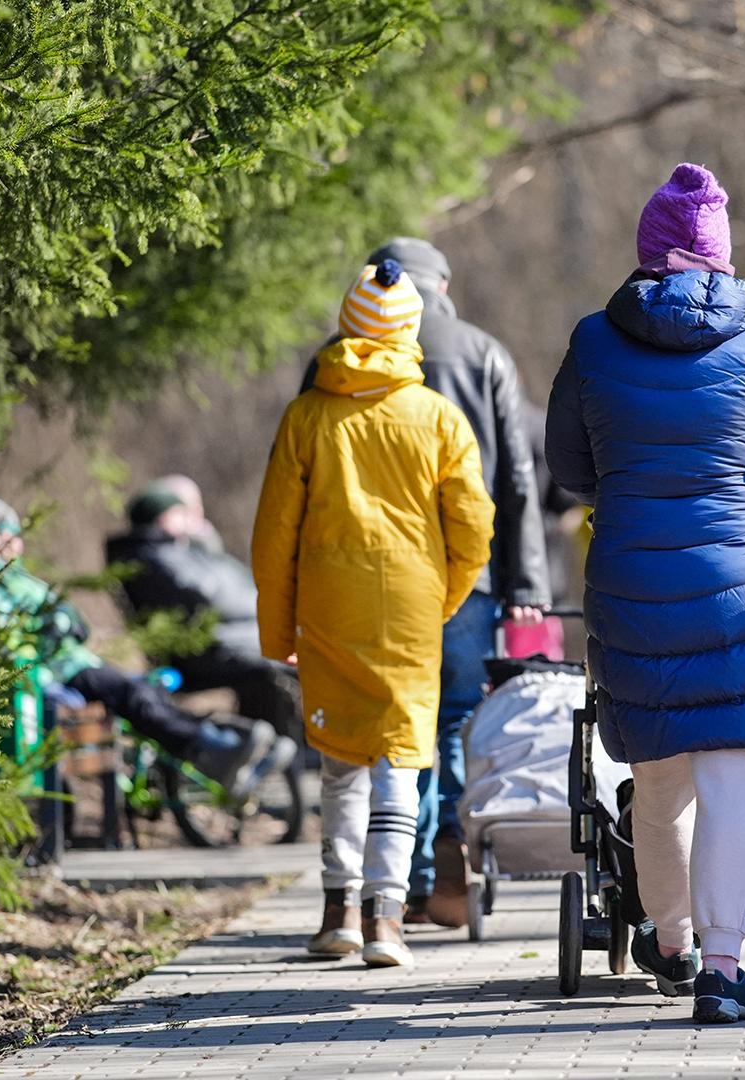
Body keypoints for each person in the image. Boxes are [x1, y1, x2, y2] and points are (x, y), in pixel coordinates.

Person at [545, 163, 745, 1024]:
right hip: (743, 591)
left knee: (657, 775)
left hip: (634, 579)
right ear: (721, 258)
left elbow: (569, 470)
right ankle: (721, 968)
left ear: (647, 255)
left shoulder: (594, 341)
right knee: (729, 778)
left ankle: (669, 944)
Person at [304, 237, 552, 928]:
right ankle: (450, 859)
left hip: (357, 578)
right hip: (463, 577)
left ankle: (399, 886)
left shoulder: (339, 353)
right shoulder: (483, 351)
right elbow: (517, 478)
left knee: (378, 728)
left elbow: (301, 475)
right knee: (453, 722)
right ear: (441, 286)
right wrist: (524, 577)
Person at [254, 259, 495, 968]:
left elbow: (274, 535)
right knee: (399, 761)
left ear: (347, 325)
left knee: (338, 765)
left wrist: (279, 630)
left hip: (329, 606)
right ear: (410, 332)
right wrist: (442, 597)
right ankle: (388, 918)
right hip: (412, 606)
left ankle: (340, 912)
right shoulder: (438, 418)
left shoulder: (307, 416)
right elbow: (473, 527)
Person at [0, 492, 289, 801]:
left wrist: (64, 621)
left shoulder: (21, 580)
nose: (9, 542)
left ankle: (223, 745)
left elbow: (72, 622)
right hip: (51, 674)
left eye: (13, 533)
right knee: (134, 696)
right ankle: (210, 750)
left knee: (146, 691)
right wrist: (49, 627)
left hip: (74, 662)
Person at [104, 479, 306, 761]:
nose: (191, 520)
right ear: (165, 517)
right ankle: (282, 754)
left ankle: (282, 752)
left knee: (293, 653)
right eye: (182, 513)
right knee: (281, 659)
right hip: (200, 654)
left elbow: (237, 584)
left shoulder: (173, 550)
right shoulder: (154, 555)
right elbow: (213, 594)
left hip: (221, 643)